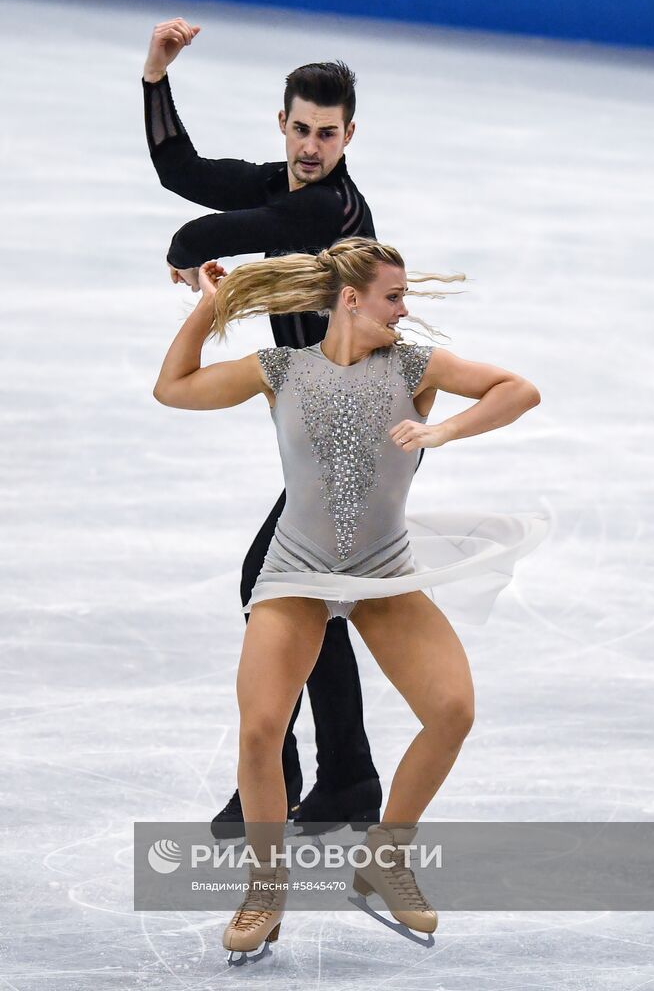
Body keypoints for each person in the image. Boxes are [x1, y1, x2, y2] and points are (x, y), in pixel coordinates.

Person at [152, 236, 547, 954]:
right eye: (394, 297)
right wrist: (211, 308)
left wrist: (444, 427)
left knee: (452, 710)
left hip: (382, 574)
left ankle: (384, 858)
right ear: (351, 299)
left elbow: (518, 388)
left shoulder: (412, 365)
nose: (404, 309)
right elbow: (172, 388)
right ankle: (264, 893)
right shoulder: (281, 369)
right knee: (260, 729)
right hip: (297, 572)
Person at [142, 17, 386, 834]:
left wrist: (186, 256)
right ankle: (344, 777)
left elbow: (204, 234)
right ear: (281, 124)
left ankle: (289, 782)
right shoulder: (285, 187)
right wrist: (156, 75)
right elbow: (182, 173)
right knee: (291, 595)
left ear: (348, 134)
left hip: (355, 435)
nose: (312, 145)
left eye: (327, 132)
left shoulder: (328, 208)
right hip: (322, 434)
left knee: (270, 588)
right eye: (301, 129)